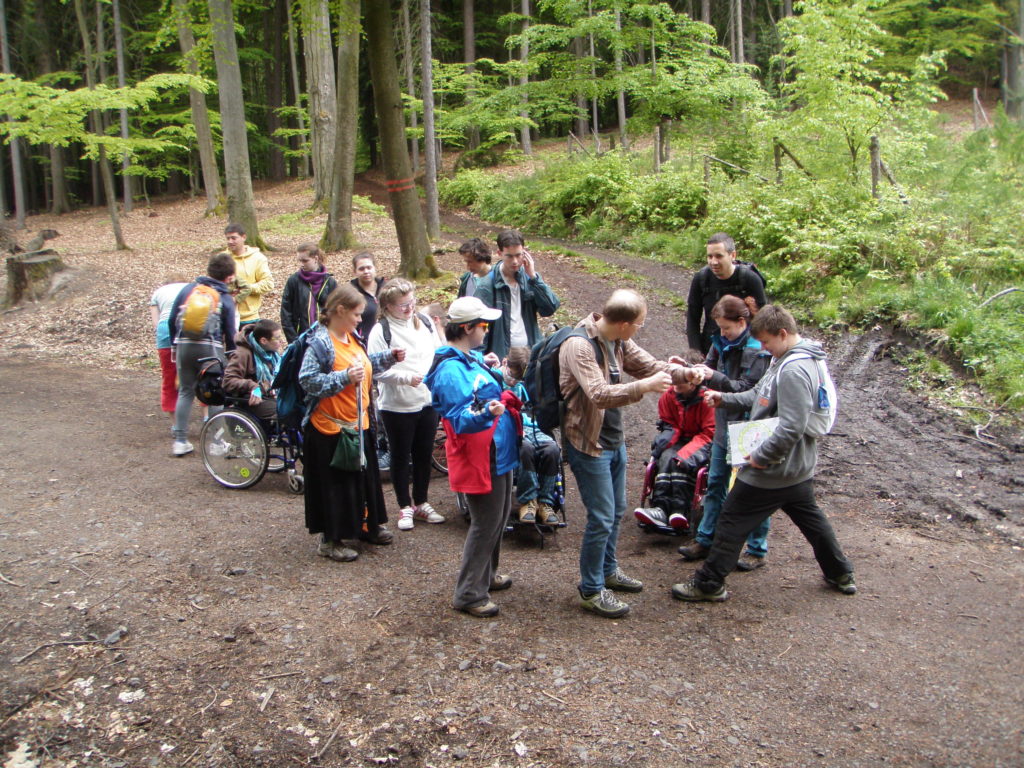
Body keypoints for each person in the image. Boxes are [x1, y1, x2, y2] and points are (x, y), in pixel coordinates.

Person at [672, 304, 856, 603]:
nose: (765, 349)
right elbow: (760, 394)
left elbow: (792, 425)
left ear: (782, 333)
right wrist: (724, 399)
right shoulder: (788, 359)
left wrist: (761, 456)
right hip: (796, 467)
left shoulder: (794, 370)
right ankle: (840, 572)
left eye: (767, 342)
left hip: (774, 468)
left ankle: (709, 583)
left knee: (732, 518)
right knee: (812, 521)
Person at [559, 288, 692, 618]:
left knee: (617, 511)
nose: (639, 330)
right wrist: (644, 387)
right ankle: (591, 589)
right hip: (588, 443)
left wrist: (685, 373)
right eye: (639, 325)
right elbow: (599, 394)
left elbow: (650, 365)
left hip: (613, 441)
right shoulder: (579, 346)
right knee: (601, 517)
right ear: (624, 324)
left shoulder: (618, 341)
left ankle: (608, 571)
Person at [424, 296, 521, 618]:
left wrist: (490, 369)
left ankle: (486, 575)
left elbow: (477, 390)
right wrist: (487, 412)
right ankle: (468, 593)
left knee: (500, 516)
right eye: (483, 325)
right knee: (485, 522)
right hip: (479, 454)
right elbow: (459, 418)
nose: (486, 330)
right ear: (467, 328)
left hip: (496, 447)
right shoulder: (451, 370)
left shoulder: (469, 359)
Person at [299, 285, 405, 563]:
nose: (361, 319)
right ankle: (330, 541)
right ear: (340, 310)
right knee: (334, 486)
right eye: (357, 314)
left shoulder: (352, 338)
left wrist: (387, 358)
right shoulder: (320, 344)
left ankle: (367, 527)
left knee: (363, 481)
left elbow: (364, 367)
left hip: (359, 425)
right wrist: (344, 377)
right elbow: (307, 381)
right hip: (330, 430)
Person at [676, 296, 773, 571]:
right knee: (716, 481)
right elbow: (708, 368)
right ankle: (705, 539)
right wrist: (694, 374)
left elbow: (747, 389)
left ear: (742, 322)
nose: (722, 332)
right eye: (719, 327)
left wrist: (713, 378)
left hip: (749, 427)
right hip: (722, 423)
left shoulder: (758, 350)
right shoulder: (720, 342)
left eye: (726, 328)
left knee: (752, 488)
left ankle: (756, 549)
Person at [367, 278, 444, 532]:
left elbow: (437, 352)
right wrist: (406, 378)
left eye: (412, 302)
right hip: (397, 404)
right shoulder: (381, 331)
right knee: (401, 455)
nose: (409, 308)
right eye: (402, 305)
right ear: (387, 306)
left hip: (427, 399)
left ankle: (421, 501)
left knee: (424, 453)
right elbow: (375, 369)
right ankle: (404, 505)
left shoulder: (424, 322)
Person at [633, 350, 715, 531]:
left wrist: (685, 454)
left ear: (694, 381)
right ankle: (660, 508)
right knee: (666, 456)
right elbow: (669, 425)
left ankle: (680, 509)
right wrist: (663, 444)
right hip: (680, 438)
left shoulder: (708, 399)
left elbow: (709, 433)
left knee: (681, 461)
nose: (675, 384)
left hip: (703, 441)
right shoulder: (668, 397)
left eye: (681, 380)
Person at [167, 253, 238, 456]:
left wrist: (174, 345)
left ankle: (180, 441)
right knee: (215, 393)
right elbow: (230, 332)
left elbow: (172, 319)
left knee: (185, 391)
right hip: (210, 348)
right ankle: (217, 443)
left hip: (184, 346)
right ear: (229, 277)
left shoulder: (189, 290)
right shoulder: (224, 297)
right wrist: (231, 355)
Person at [475, 229, 560, 360]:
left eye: (518, 255)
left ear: (525, 253)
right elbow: (479, 326)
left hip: (530, 354)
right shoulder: (487, 285)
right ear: (499, 254)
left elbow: (550, 308)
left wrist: (534, 277)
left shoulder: (530, 279)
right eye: (509, 256)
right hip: (502, 357)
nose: (515, 261)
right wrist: (480, 359)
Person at [502, 347, 561, 525]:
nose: (514, 380)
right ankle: (528, 501)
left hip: (532, 425)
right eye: (513, 374)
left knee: (551, 449)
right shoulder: (495, 379)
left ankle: (545, 501)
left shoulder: (531, 382)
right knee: (525, 448)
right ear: (505, 363)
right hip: (509, 427)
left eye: (519, 377)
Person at [685, 232, 767, 355]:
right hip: (711, 347)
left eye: (719, 256)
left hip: (744, 349)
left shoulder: (750, 279)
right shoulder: (701, 279)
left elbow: (763, 318)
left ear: (732, 255)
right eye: (710, 256)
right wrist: (695, 352)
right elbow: (692, 318)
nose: (714, 262)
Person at [222, 318, 286, 424]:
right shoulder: (243, 354)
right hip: (248, 400)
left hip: (268, 395)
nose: (281, 341)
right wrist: (253, 386)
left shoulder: (272, 354)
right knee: (285, 411)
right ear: (263, 341)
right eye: (277, 338)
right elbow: (228, 381)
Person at [149, 275, 189, 419]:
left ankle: (175, 423)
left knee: (169, 377)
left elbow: (156, 323)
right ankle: (206, 415)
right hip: (190, 331)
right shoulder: (190, 287)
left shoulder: (158, 292)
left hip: (165, 331)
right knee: (199, 373)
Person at [280, 243, 338, 342]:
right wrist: (294, 340)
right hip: (301, 337)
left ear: (315, 258)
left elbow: (336, 312)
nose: (301, 264)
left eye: (305, 261)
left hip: (325, 338)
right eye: (299, 261)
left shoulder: (330, 282)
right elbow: (286, 313)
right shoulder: (294, 281)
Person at [222, 224, 274, 326]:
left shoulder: (258, 258)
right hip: (225, 315)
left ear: (244, 237)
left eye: (233, 238)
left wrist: (246, 288)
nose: (230, 241)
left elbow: (268, 283)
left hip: (249, 317)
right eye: (228, 238)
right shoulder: (222, 258)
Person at [350, 252, 385, 340]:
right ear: (355, 271)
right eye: (361, 269)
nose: (366, 271)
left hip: (388, 339)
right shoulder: (351, 293)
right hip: (364, 341)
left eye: (369, 268)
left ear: (375, 268)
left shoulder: (387, 288)